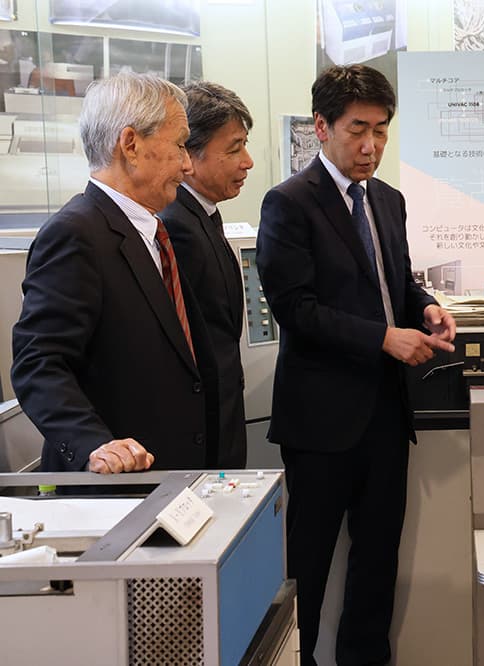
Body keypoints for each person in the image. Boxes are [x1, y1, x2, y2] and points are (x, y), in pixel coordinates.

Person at [256, 64, 456, 666]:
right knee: (307, 565)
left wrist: (426, 307)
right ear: (322, 127)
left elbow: (395, 280)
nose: (371, 146)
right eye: (357, 130)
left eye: (382, 130)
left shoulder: (387, 201)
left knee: (376, 562)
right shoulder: (289, 203)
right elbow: (296, 309)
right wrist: (382, 339)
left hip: (386, 417)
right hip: (320, 423)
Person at [11, 72, 219, 474]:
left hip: (169, 474)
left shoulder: (151, 231)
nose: (187, 164)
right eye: (179, 146)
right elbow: (39, 362)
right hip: (116, 485)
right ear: (131, 144)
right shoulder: (75, 233)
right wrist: (94, 445)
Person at [159, 81, 254, 469]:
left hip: (225, 416)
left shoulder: (205, 214)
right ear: (190, 154)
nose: (247, 161)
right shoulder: (175, 225)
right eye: (234, 149)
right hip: (205, 432)